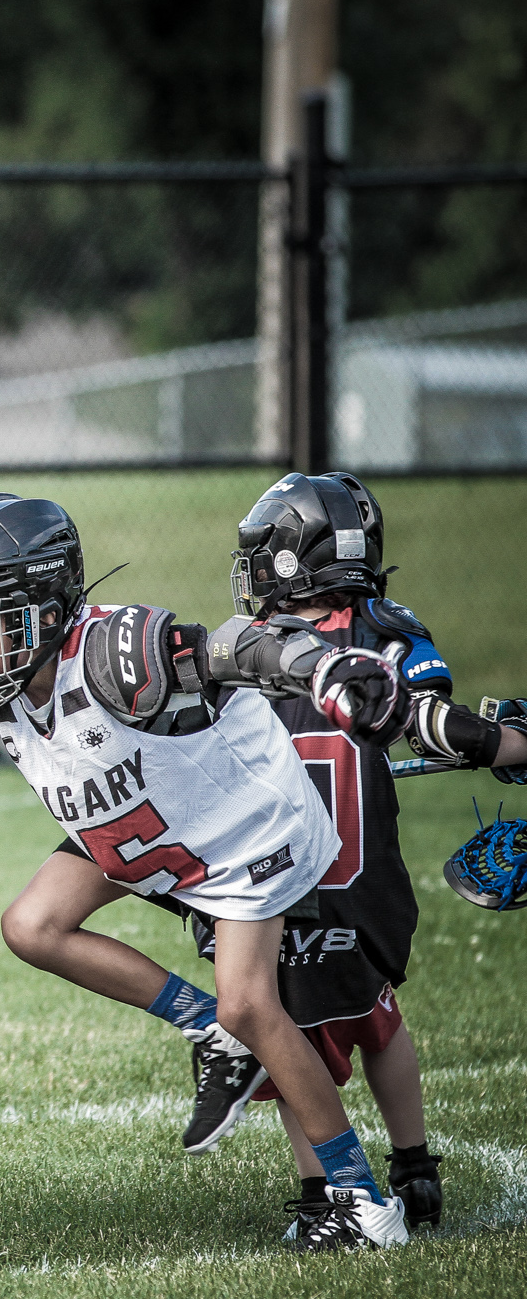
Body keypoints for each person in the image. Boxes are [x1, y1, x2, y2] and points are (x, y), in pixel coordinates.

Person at [0, 492, 416, 1251]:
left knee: (250, 1002)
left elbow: (237, 650)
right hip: (148, 828)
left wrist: (325, 664)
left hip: (244, 829)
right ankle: (205, 1027)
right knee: (32, 924)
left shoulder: (118, 656)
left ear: (44, 614)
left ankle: (360, 1197)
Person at [111, 473, 527, 1233]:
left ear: (291, 560)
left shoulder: (253, 651)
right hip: (366, 882)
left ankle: (322, 1190)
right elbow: (434, 715)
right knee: (378, 1018)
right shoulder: (383, 629)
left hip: (275, 882)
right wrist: (507, 742)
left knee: (286, 1036)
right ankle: (415, 1165)